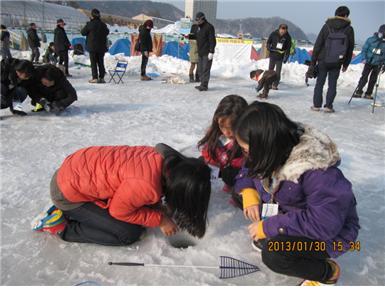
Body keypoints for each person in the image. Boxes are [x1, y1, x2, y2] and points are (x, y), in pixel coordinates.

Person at [233, 101, 360, 285]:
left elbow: (325, 224)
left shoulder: (317, 172)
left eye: (246, 150)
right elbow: (248, 168)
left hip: (334, 236)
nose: (246, 156)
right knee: (239, 195)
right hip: (290, 213)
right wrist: (247, 190)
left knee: (274, 254)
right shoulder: (274, 149)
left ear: (264, 146)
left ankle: (327, 272)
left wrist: (270, 226)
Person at [33, 143, 211, 245]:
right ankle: (64, 228)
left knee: (142, 205)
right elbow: (119, 211)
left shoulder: (162, 158)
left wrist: (157, 208)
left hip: (74, 173)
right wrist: (161, 219)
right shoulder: (146, 185)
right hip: (67, 194)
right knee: (129, 233)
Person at [308, 6, 355, 113]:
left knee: (320, 83)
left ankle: (316, 105)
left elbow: (318, 44)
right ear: (346, 15)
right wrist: (346, 64)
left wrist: (313, 61)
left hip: (323, 60)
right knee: (332, 84)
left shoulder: (326, 26)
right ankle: (328, 106)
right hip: (337, 61)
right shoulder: (349, 29)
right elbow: (350, 48)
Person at [198, 95, 248, 193]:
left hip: (238, 173)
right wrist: (210, 162)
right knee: (199, 164)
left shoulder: (245, 141)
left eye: (231, 128)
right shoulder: (216, 134)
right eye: (222, 127)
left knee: (231, 173)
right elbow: (208, 151)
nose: (226, 132)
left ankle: (236, 187)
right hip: (220, 167)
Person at [352, 25, 385, 99]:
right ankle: (359, 91)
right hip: (368, 62)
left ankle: (368, 93)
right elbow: (364, 50)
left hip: (378, 64)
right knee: (364, 77)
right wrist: (364, 58)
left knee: (373, 79)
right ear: (379, 32)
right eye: (382, 33)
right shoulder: (371, 40)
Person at [81, 9, 110, 83]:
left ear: (92, 15)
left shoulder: (90, 24)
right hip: (101, 47)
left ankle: (95, 78)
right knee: (101, 62)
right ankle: (102, 78)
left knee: (93, 63)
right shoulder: (103, 24)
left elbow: (83, 32)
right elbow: (107, 32)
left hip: (92, 47)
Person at [195, 12, 216, 91]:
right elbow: (198, 37)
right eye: (196, 20)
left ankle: (204, 85)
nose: (197, 21)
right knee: (200, 70)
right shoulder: (199, 27)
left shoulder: (209, 27)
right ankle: (202, 83)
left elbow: (212, 40)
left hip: (207, 52)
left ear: (202, 19)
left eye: (198, 20)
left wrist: (211, 51)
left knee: (205, 69)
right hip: (200, 52)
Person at [266, 24, 292, 90]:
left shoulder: (288, 37)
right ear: (279, 29)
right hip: (273, 54)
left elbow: (288, 48)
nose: (283, 31)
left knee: (278, 72)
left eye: (284, 30)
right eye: (282, 30)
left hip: (280, 56)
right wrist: (268, 46)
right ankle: (269, 84)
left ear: (286, 30)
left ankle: (275, 85)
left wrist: (286, 56)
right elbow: (268, 42)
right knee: (270, 70)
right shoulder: (273, 34)